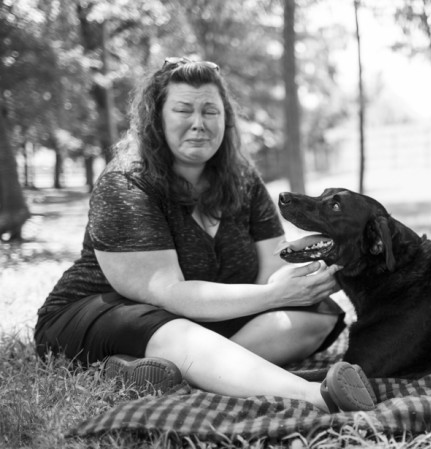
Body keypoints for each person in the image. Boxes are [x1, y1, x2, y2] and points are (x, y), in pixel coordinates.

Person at [34, 57, 377, 413]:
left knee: (316, 314)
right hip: (100, 312)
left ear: (225, 118)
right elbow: (168, 293)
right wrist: (274, 295)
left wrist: (309, 275)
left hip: (198, 317)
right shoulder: (126, 182)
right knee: (175, 330)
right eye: (183, 110)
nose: (198, 123)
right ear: (157, 117)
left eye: (210, 111)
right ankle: (315, 397)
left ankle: (177, 372)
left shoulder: (242, 179)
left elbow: (271, 267)